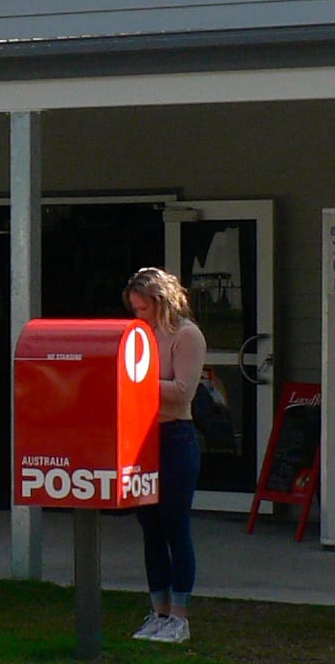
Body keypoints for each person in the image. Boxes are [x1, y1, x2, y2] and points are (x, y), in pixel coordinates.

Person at [124, 267, 207, 644]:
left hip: (175, 436)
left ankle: (179, 616)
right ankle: (158, 611)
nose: (139, 315)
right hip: (144, 437)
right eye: (135, 309)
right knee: (150, 527)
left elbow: (182, 391)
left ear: (161, 302)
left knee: (175, 526)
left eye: (144, 308)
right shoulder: (141, 335)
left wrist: (134, 383)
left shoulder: (186, 335)